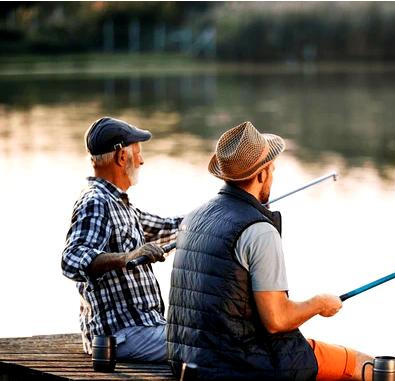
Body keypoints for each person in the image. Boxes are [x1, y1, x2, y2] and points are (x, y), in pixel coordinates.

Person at [167, 121, 373, 380]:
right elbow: (277, 320)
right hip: (238, 365)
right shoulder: (258, 230)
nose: (273, 173)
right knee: (367, 367)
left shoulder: (194, 217)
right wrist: (320, 303)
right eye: (272, 168)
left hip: (188, 359)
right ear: (262, 174)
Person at [62, 117, 183, 362]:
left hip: (140, 329)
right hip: (123, 335)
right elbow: (71, 259)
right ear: (121, 157)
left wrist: (219, 213)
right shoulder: (96, 202)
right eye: (138, 153)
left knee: (208, 338)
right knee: (212, 344)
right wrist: (128, 257)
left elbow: (168, 227)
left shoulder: (120, 205)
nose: (141, 160)